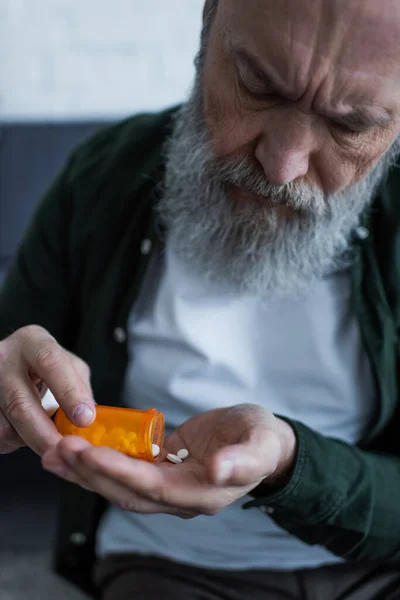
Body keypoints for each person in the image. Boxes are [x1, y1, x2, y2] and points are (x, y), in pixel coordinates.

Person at [1, 0, 400, 598]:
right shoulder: (102, 178)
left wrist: (291, 466)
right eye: (259, 86)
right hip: (163, 564)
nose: (283, 163)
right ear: (207, 26)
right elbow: (14, 362)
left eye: (350, 125)